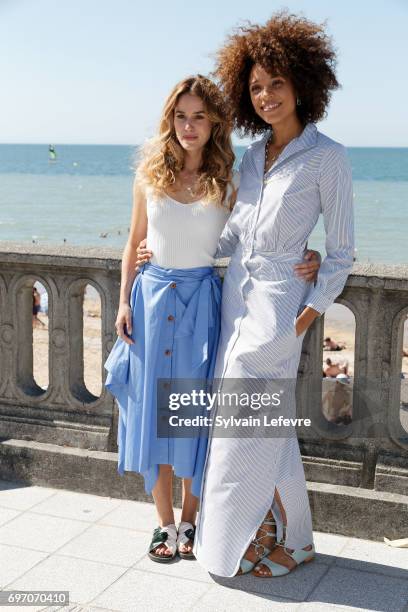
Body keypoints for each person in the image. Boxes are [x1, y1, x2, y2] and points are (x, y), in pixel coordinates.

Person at [107, 74, 321, 565]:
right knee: (151, 419)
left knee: (191, 414)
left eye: (199, 115)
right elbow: (132, 241)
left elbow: (261, 232)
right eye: (181, 115)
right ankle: (164, 524)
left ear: (214, 122)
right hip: (151, 301)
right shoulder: (148, 175)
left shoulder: (230, 178)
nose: (189, 125)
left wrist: (305, 254)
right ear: (170, 120)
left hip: (203, 305)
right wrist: (122, 301)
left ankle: (192, 522)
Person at [190, 12, 354, 578]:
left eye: (277, 83)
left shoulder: (328, 157)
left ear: (303, 84)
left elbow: (341, 250)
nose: (265, 96)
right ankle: (296, 540)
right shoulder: (251, 158)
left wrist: (309, 313)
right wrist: (173, 247)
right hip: (238, 300)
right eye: (256, 86)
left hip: (282, 310)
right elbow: (232, 232)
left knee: (241, 427)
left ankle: (226, 546)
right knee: (269, 427)